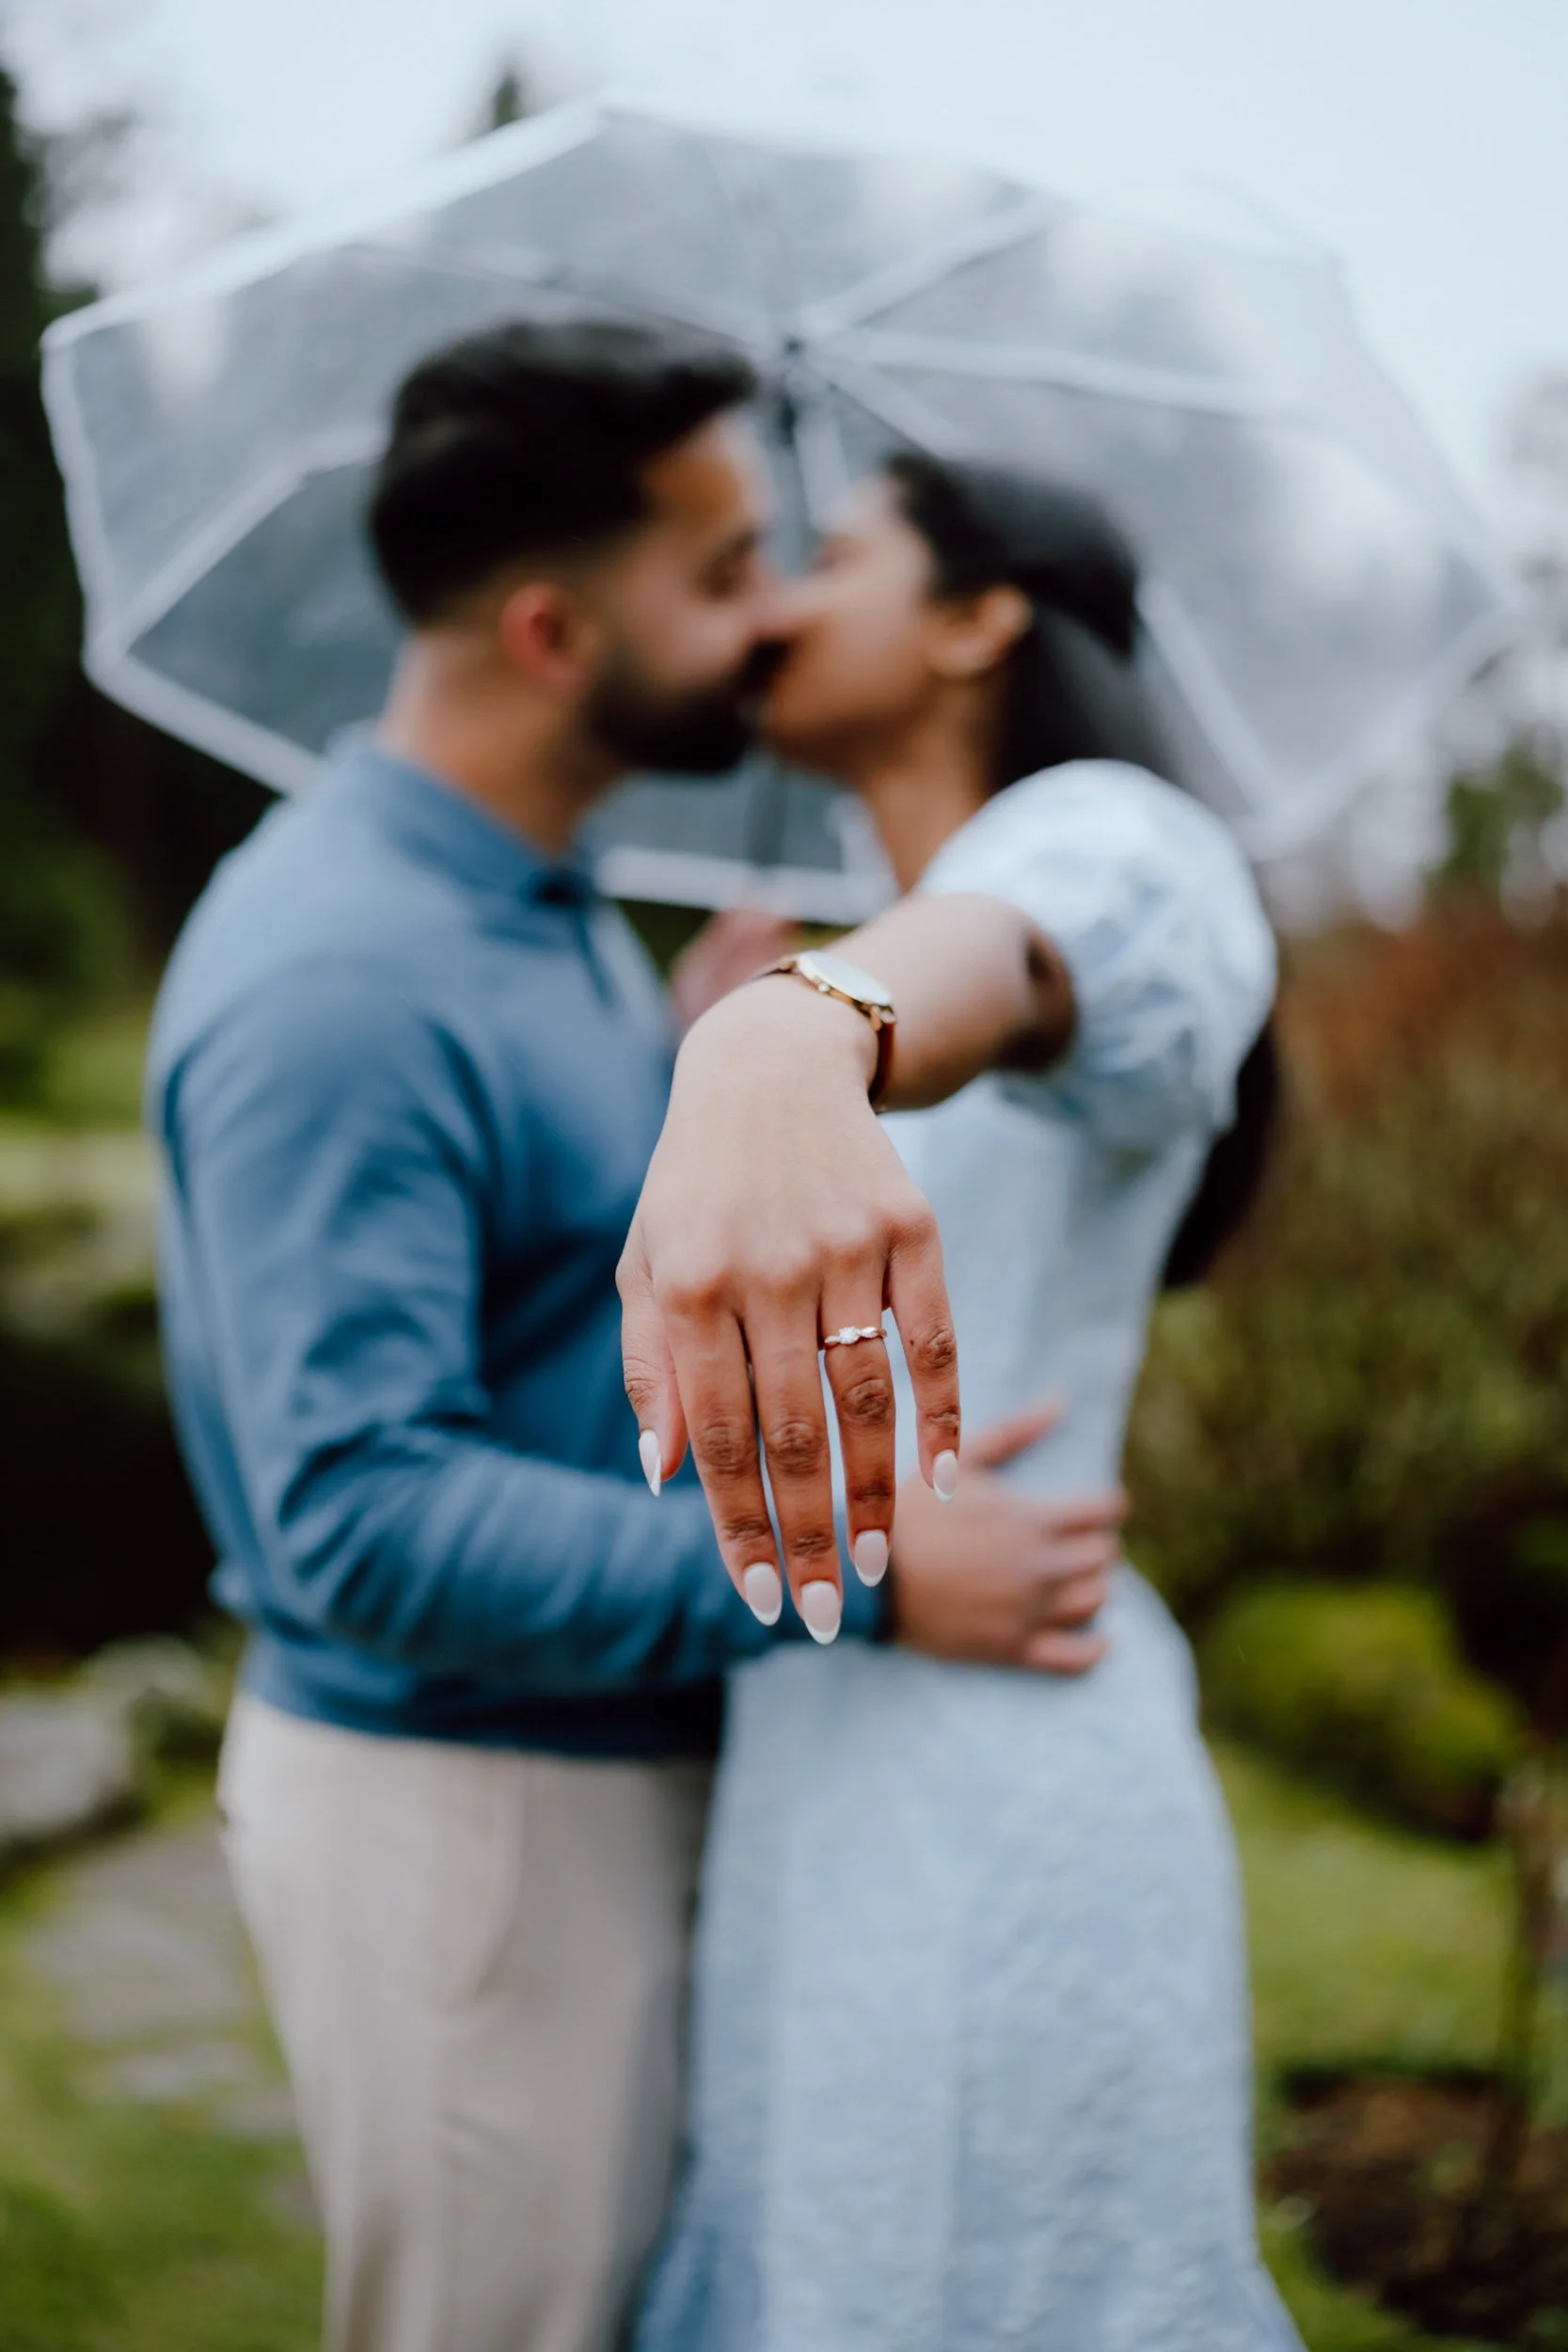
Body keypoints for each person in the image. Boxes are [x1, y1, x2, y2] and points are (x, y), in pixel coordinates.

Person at [146, 323, 1125, 2352]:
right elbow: (357, 1517)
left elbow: (545, 1314)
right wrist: (854, 1577)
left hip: (583, 1775)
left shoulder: (539, 906)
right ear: (546, 630)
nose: (768, 617)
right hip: (474, 1828)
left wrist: (691, 1073)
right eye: (718, 571)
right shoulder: (340, 972)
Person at [626, 454, 1301, 2349]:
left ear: (976, 615)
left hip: (1004, 1770)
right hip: (814, 1760)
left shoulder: (1111, 845)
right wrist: (723, 1043)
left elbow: (1004, 947)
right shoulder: (847, 929)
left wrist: (797, 1037)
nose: (765, 608)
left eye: (824, 558)